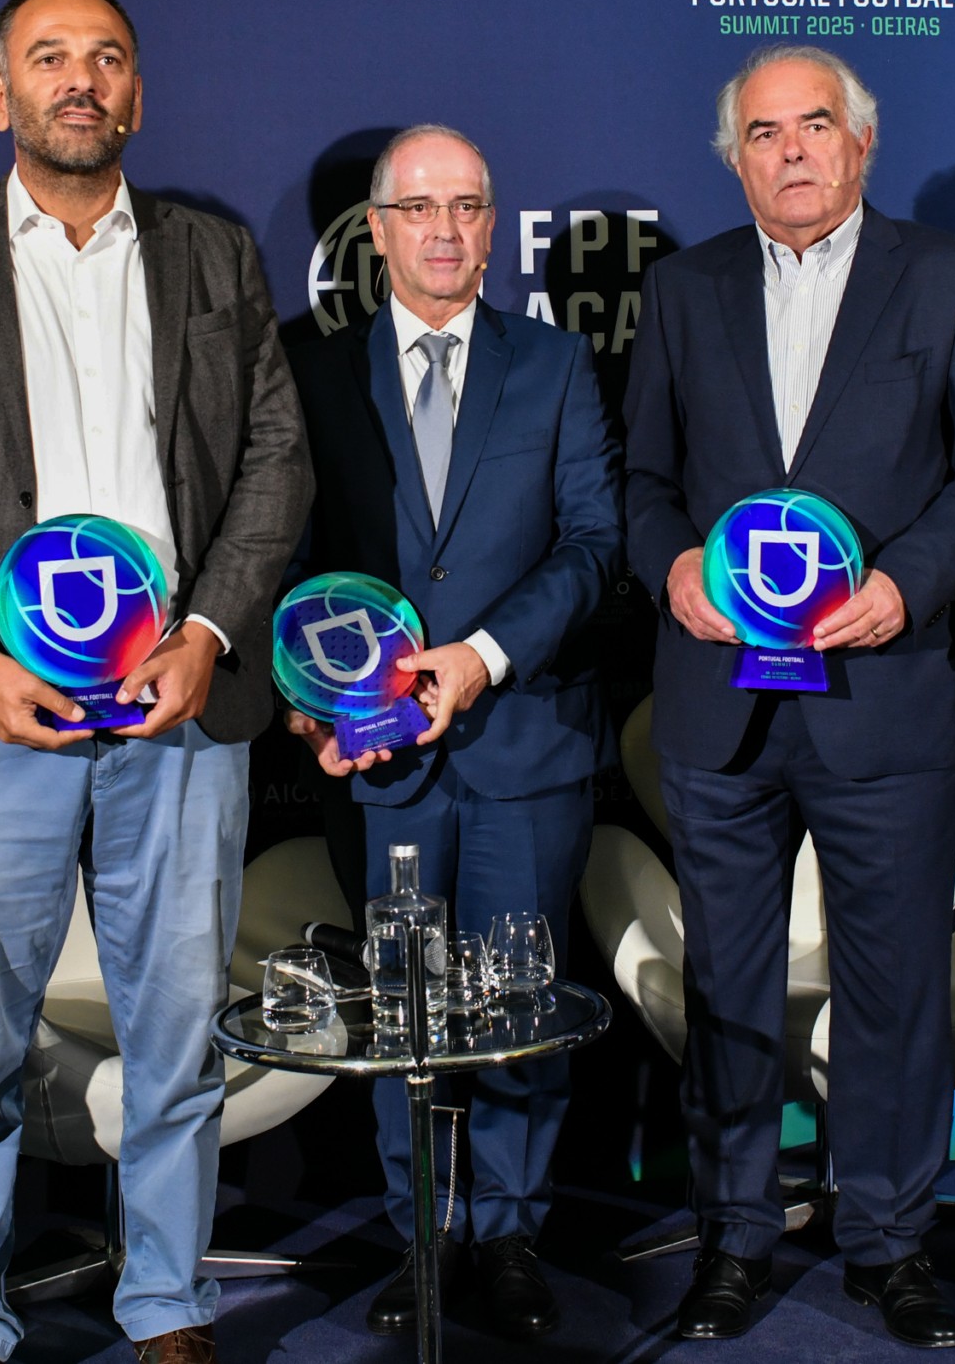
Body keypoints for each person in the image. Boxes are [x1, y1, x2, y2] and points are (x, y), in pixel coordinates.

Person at [0, 0, 311, 1364]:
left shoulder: (212, 256)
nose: (80, 79)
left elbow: (275, 460)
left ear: (137, 94)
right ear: (0, 93)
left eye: (106, 57)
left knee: (177, 1031)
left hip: (179, 701)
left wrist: (209, 632)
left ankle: (167, 1297)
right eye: (49, 57)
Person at [624, 44, 955, 1348]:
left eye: (814, 126)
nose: (791, 150)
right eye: (763, 132)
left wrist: (908, 582)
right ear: (733, 157)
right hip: (720, 704)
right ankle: (734, 1237)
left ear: (862, 143)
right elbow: (642, 483)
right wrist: (672, 564)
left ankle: (891, 1241)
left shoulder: (948, 275)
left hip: (884, 691)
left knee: (893, 988)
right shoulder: (683, 288)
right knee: (727, 988)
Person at [283, 124, 621, 1341]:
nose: (444, 230)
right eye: (418, 208)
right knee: (405, 1006)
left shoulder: (557, 364)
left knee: (519, 1002)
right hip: (381, 756)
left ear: (491, 226)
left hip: (524, 739)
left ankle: (513, 1233)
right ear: (375, 232)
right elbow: (287, 558)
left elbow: (594, 543)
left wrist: (480, 657)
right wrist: (308, 700)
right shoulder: (309, 370)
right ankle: (422, 1235)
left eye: (467, 206)